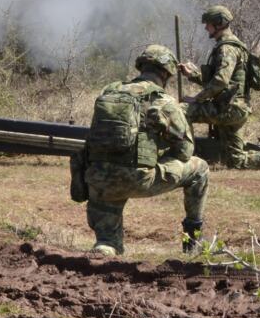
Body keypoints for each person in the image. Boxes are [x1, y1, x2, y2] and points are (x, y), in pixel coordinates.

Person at [84, 45, 208, 257]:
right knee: (200, 169)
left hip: (99, 180)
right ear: (166, 73)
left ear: (142, 68)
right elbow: (185, 151)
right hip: (138, 178)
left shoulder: (109, 92)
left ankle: (106, 244)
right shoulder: (164, 101)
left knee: (107, 245)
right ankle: (192, 239)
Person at [178, 5, 260, 171]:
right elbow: (224, 82)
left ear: (219, 24)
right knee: (235, 160)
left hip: (228, 108)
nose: (206, 27)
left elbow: (220, 81)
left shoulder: (226, 48)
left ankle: (182, 158)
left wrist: (197, 99)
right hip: (237, 108)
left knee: (182, 110)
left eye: (209, 24)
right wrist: (192, 75)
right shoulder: (236, 46)